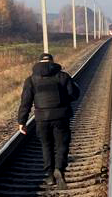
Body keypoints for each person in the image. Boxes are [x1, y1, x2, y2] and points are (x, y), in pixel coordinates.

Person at [17, 53, 80, 189]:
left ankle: (50, 176)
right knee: (61, 144)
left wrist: (22, 121)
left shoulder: (31, 80)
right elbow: (74, 94)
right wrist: (63, 99)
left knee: (46, 146)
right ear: (52, 62)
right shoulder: (63, 76)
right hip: (61, 117)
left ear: (39, 62)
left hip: (41, 118)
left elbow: (26, 102)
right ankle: (60, 169)